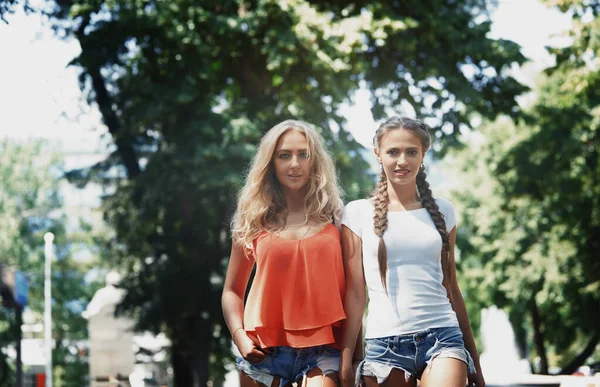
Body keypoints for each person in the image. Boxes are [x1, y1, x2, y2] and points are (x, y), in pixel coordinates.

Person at [339, 116, 485, 387]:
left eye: (411, 152)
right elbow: (355, 294)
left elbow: (451, 287)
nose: (402, 160)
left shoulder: (444, 210)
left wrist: (473, 358)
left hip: (443, 336)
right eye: (393, 151)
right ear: (378, 154)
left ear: (423, 155)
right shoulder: (357, 212)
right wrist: (347, 359)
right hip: (384, 345)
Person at [222, 119, 348, 387]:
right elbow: (232, 290)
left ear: (315, 161)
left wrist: (353, 355)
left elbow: (355, 292)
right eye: (284, 155)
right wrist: (240, 338)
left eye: (303, 154)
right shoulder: (252, 220)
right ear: (271, 162)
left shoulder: (337, 218)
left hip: (323, 352)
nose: (295, 164)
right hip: (263, 353)